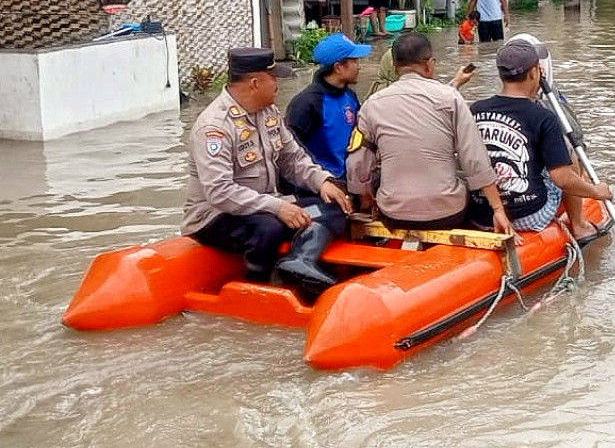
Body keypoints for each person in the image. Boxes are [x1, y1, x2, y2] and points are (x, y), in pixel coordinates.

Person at [182, 48, 353, 294]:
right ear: (255, 82)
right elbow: (219, 191)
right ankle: (256, 284)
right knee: (268, 228)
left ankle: (300, 262)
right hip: (215, 216)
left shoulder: (268, 113)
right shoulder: (215, 127)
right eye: (274, 78)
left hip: (267, 205)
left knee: (334, 206)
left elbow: (292, 159)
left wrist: (322, 181)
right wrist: (278, 208)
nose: (278, 85)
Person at [347, 32, 514, 234]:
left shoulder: (371, 104)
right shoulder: (451, 98)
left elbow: (358, 163)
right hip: (447, 212)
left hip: (393, 213)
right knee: (463, 184)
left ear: (394, 67)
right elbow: (475, 160)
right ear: (430, 64)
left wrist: (366, 201)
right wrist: (498, 209)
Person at [468, 38, 612, 241]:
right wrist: (596, 192)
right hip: (529, 215)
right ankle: (578, 225)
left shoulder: (475, 109)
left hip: (482, 213)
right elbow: (562, 179)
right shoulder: (544, 117)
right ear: (536, 72)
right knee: (569, 154)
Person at [285, 33, 371, 193]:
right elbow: (289, 155)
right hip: (322, 186)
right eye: (354, 61)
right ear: (338, 67)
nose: (359, 66)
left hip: (350, 182)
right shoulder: (305, 104)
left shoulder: (350, 96)